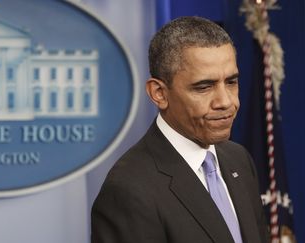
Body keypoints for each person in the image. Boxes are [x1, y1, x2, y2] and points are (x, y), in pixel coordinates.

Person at [91, 16, 269, 243]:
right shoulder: (128, 190)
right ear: (159, 93)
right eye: (204, 87)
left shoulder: (239, 160)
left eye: (231, 82)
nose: (226, 102)